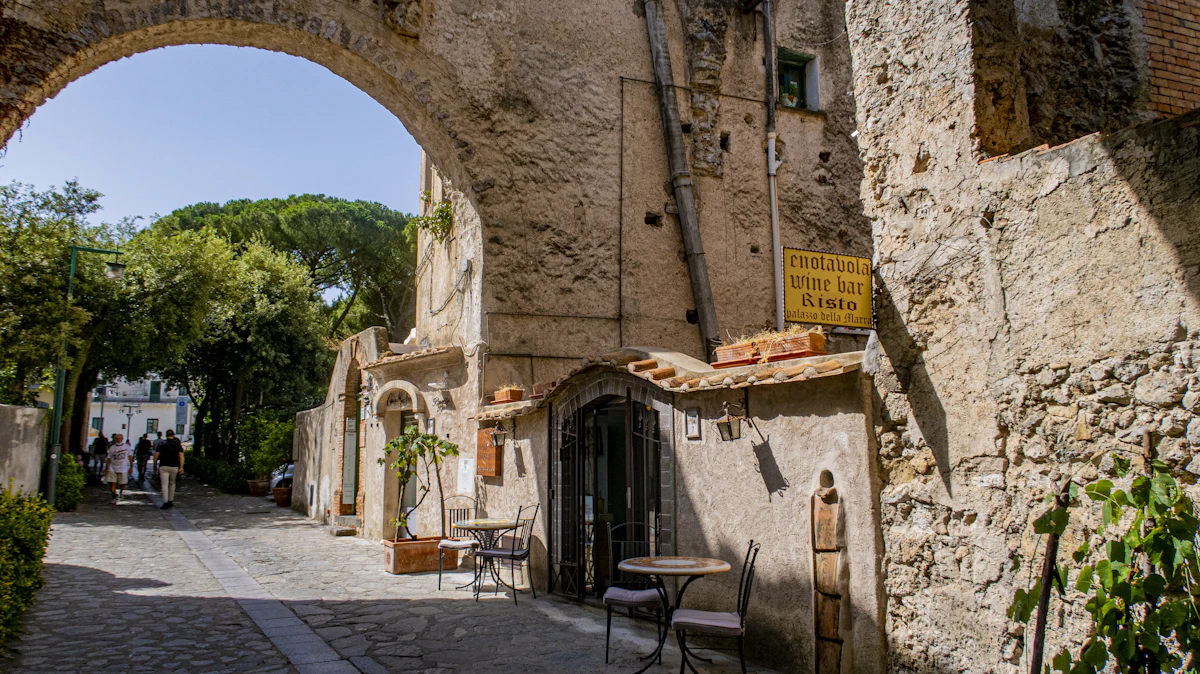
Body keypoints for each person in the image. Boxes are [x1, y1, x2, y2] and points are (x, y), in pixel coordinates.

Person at [154, 429, 185, 509]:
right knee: (172, 483)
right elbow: (181, 456)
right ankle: (170, 500)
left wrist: (155, 465)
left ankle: (165, 501)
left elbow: (156, 455)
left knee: (164, 484)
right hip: (174, 466)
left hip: (163, 465)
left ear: (166, 435)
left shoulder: (161, 443)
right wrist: (181, 467)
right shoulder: (177, 444)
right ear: (173, 435)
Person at [104, 433, 132, 502]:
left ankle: (121, 492)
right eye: (116, 438)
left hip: (123, 468)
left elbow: (130, 457)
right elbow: (108, 458)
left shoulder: (127, 447)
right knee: (112, 482)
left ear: (122, 439)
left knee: (123, 482)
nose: (118, 440)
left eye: (119, 438)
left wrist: (131, 466)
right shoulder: (112, 447)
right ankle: (114, 496)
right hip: (112, 467)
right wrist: (106, 468)